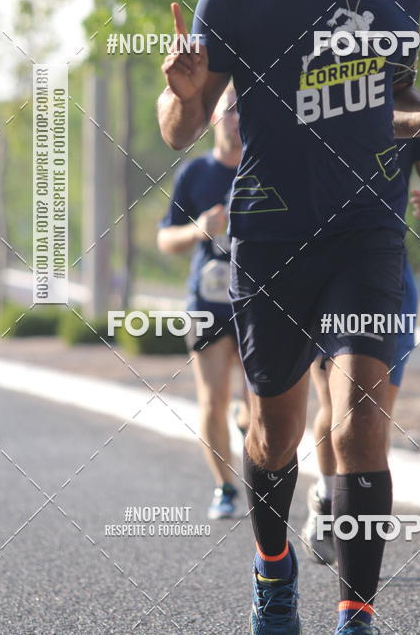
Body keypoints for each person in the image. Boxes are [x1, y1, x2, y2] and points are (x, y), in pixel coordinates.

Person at [157, 0, 420, 635]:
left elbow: (377, 114)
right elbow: (182, 131)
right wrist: (183, 97)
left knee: (359, 423)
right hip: (270, 236)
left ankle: (356, 614)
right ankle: (274, 569)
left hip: (366, 233)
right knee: (276, 431)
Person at [302, 134, 420, 565]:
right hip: (318, 272)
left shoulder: (409, 110)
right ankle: (327, 493)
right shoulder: (310, 90)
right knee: (334, 405)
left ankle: (358, 542)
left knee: (373, 414)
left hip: (384, 275)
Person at [157, 85, 248, 520]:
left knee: (256, 408)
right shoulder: (195, 174)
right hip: (207, 303)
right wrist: (199, 229)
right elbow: (165, 239)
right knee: (212, 400)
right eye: (231, 110)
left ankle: (260, 471)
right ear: (214, 117)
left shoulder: (265, 168)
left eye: (245, 111)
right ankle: (225, 487)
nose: (238, 119)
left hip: (258, 302)